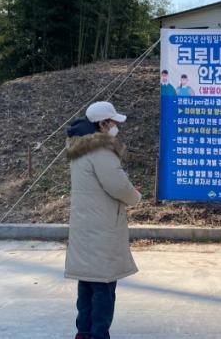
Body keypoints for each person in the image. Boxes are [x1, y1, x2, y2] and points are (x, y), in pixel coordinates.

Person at [66, 101, 142, 339]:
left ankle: (83, 332)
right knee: (104, 287)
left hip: (85, 226)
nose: (116, 127)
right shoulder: (100, 151)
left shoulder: (79, 148)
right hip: (102, 228)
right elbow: (118, 185)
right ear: (102, 124)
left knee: (87, 284)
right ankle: (99, 335)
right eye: (114, 122)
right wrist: (136, 196)